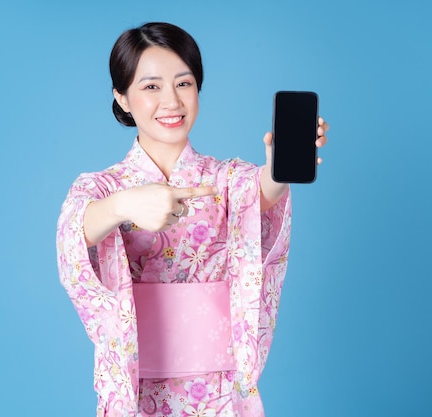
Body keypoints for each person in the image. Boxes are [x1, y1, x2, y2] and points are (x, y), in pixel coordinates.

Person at [56, 22, 329, 417]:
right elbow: (74, 232)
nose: (172, 100)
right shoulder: (101, 187)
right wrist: (125, 205)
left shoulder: (225, 178)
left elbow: (259, 195)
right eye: (151, 87)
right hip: (136, 386)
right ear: (123, 97)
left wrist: (279, 170)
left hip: (217, 389)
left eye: (183, 83)